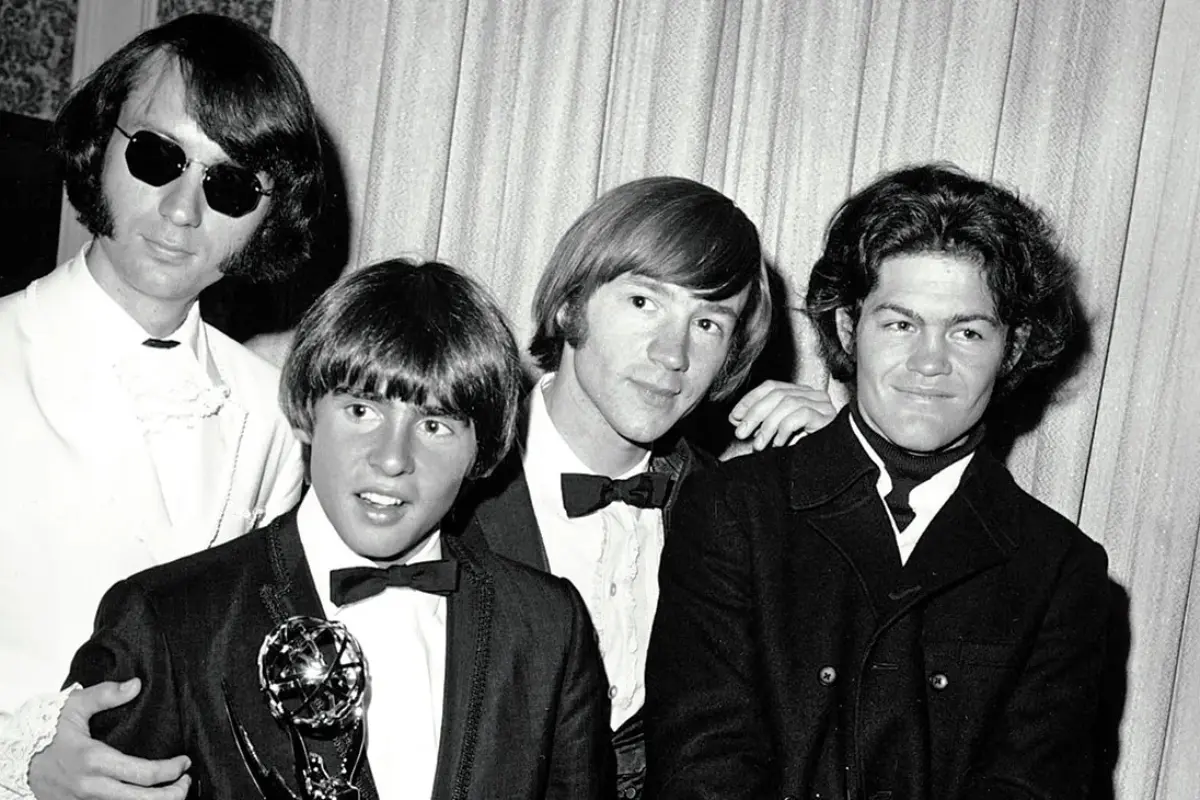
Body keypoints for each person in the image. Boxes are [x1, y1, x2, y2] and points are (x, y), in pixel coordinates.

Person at [61, 260, 613, 799]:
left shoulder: (549, 626)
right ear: (307, 411)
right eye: (361, 411)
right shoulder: (169, 620)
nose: (392, 459)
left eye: (435, 425)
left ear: (481, 452)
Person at [643, 163, 1110, 800]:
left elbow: (1032, 784)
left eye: (967, 332)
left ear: (1014, 348)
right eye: (900, 324)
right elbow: (704, 764)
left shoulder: (1061, 569)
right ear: (847, 329)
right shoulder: (733, 509)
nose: (930, 362)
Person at [0, 14, 324, 800]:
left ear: (269, 215)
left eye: (230, 184)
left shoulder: (274, 416)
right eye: (157, 156)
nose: (182, 210)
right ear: (100, 145)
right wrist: (21, 760)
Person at [460, 176, 835, 799]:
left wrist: (842, 477)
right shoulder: (452, 471)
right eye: (643, 302)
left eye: (708, 323)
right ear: (570, 306)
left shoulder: (734, 512)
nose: (673, 354)